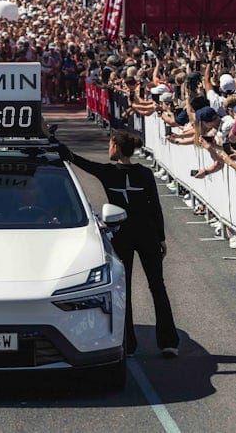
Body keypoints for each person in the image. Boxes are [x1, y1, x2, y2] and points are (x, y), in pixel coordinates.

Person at [58, 131, 179, 357]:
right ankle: (169, 342)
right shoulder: (144, 173)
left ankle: (128, 343)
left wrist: (54, 142)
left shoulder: (108, 172)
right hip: (148, 235)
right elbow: (155, 207)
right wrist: (161, 237)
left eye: (109, 144)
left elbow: (76, 160)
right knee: (157, 286)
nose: (108, 148)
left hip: (122, 234)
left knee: (125, 290)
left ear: (115, 147)